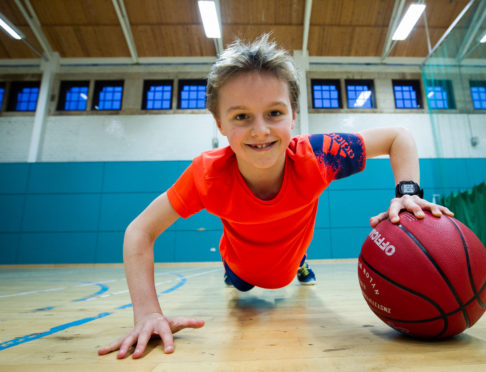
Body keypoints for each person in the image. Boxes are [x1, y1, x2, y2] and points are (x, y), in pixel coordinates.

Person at [98, 34, 453, 359]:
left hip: (290, 256)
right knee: (240, 286)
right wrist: (147, 313)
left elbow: (398, 137)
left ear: (293, 116)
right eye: (241, 116)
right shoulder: (207, 175)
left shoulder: (319, 156)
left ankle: (299, 261)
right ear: (219, 123)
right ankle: (246, 268)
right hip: (241, 267)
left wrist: (408, 193)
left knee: (293, 259)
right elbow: (139, 231)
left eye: (274, 113)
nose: (261, 130)